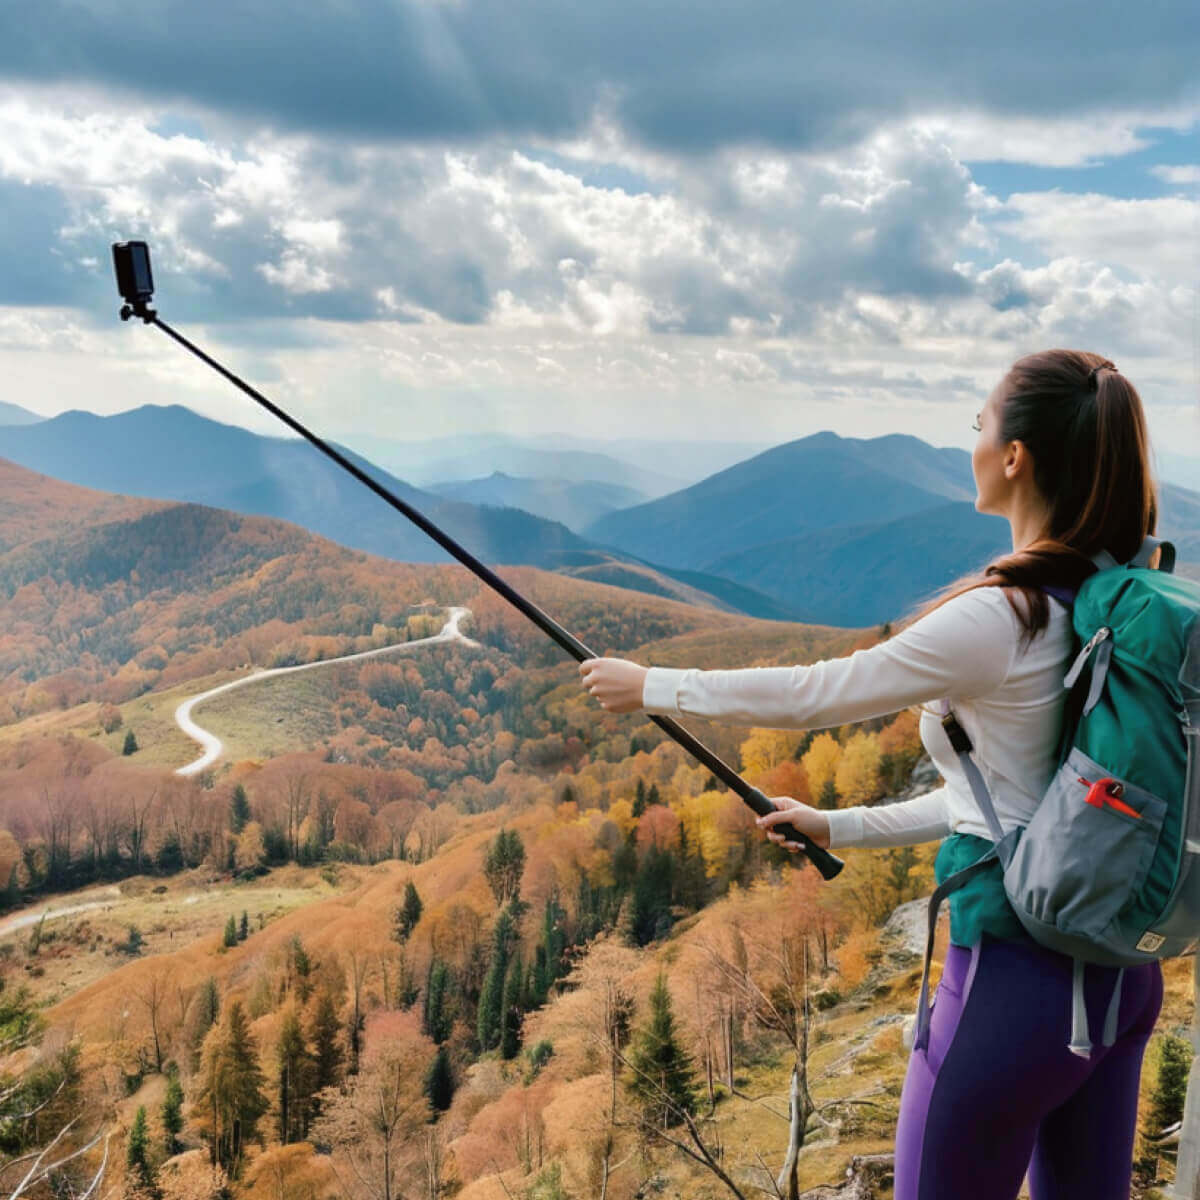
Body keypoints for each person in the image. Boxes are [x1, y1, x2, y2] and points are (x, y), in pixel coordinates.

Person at [578, 348, 1165, 1200]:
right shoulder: (1119, 601)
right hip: (1119, 985)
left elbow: (823, 693)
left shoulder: (1005, 616)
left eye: (980, 423)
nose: (972, 442)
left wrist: (654, 687)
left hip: (1013, 987)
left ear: (1016, 456)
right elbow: (1012, 810)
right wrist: (839, 824)